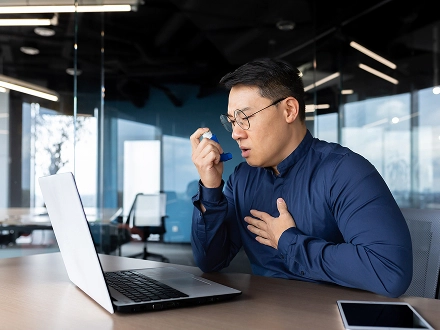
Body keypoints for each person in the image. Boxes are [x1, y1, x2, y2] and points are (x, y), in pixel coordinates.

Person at [189, 58, 413, 298]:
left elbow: (390, 272)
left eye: (244, 117)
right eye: (232, 121)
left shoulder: (345, 171)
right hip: (263, 313)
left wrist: (288, 241)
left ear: (289, 110)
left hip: (332, 316)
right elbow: (210, 261)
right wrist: (210, 187)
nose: (235, 133)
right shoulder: (242, 178)